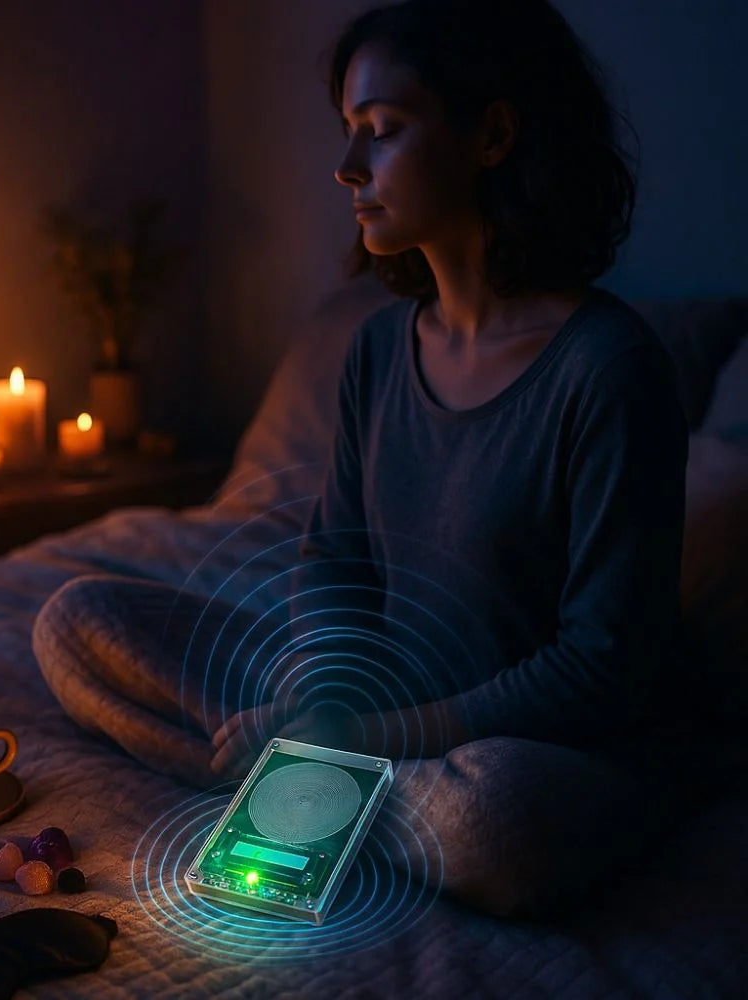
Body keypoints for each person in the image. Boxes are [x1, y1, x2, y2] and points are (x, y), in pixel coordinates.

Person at [206, 0, 695, 915]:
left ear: (493, 134)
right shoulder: (378, 349)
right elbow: (335, 567)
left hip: (541, 750)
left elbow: (595, 672)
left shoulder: (609, 369)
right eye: (349, 133)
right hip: (384, 708)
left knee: (496, 824)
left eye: (382, 133)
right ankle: (315, 770)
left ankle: (312, 781)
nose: (348, 170)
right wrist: (322, 699)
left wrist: (360, 735)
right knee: (81, 620)